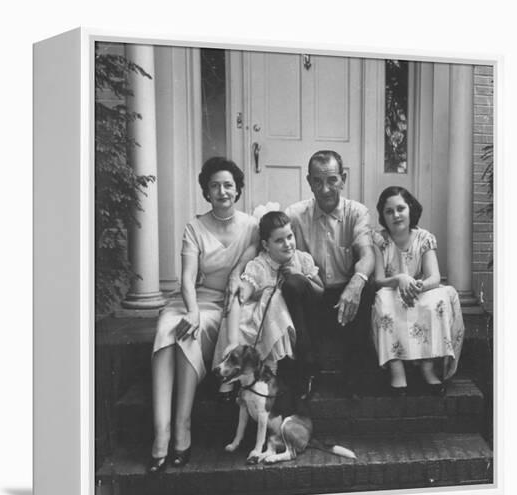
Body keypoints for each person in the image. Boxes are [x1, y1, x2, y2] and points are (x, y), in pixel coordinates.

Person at [149, 157, 258, 472]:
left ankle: (182, 429)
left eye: (228, 185)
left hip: (230, 305)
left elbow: (256, 261)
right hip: (198, 299)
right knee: (167, 327)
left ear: (237, 190)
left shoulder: (251, 225)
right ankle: (161, 433)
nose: (222, 191)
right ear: (206, 192)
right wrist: (192, 310)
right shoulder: (194, 227)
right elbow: (186, 278)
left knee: (188, 336)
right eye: (214, 186)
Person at [283, 150, 375, 397]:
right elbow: (269, 245)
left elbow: (367, 254)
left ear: (343, 179)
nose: (325, 189)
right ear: (309, 181)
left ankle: (354, 374)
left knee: (368, 285)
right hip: (313, 294)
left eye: (332, 180)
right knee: (291, 283)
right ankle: (307, 369)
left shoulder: (357, 213)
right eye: (317, 181)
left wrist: (356, 283)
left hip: (346, 297)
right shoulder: (294, 215)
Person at [371, 186, 464, 396]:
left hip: (420, 289)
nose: (395, 215)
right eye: (389, 211)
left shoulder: (424, 238)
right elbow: (378, 280)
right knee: (384, 300)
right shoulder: (379, 240)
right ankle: (397, 369)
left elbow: (434, 277)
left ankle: (427, 365)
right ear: (382, 216)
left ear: (410, 209)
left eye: (400, 208)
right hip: (392, 289)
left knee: (438, 299)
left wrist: (415, 285)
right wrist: (399, 279)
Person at [213, 211, 323, 381]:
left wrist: (300, 276)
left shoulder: (302, 259)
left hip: (301, 321)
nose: (287, 244)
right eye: (279, 240)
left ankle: (286, 373)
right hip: (272, 320)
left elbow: (320, 291)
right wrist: (232, 341)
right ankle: (257, 375)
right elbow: (239, 296)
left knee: (280, 297)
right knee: (269, 301)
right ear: (265, 245)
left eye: (289, 237)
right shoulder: (261, 266)